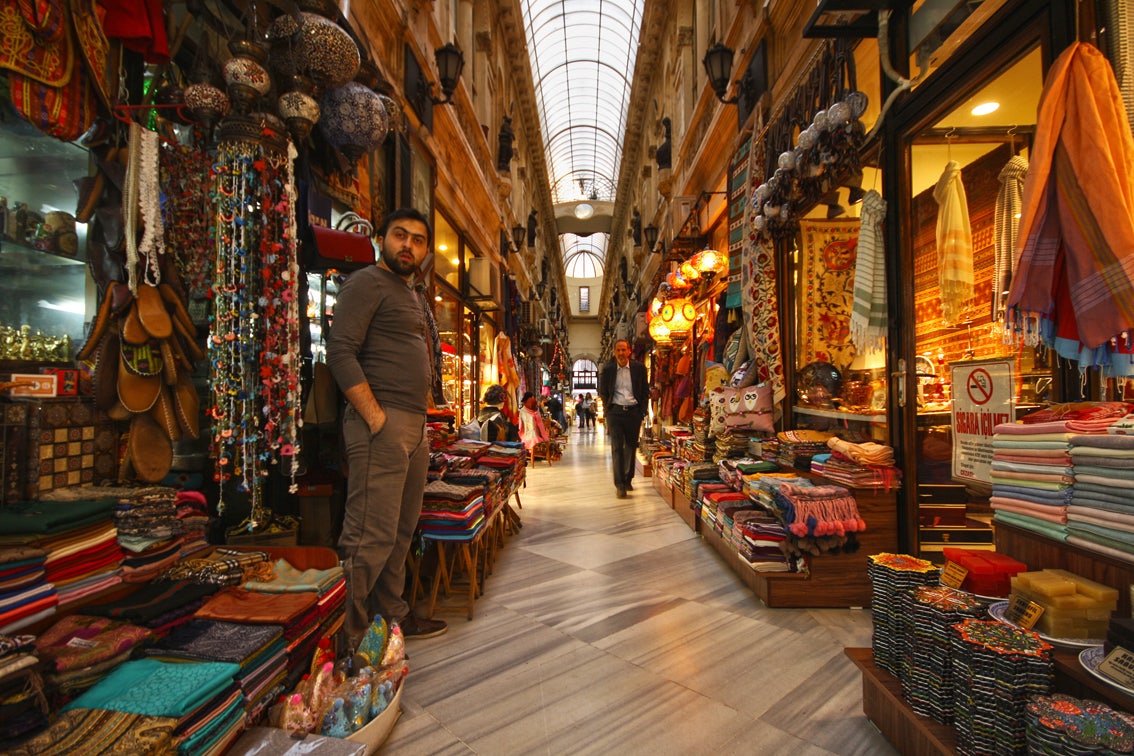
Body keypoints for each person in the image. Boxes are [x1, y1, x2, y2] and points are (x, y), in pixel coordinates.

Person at [327, 207, 447, 647]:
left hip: (413, 428)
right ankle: (349, 639)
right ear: (381, 238)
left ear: (425, 250)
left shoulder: (409, 292)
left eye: (417, 240)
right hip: (382, 425)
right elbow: (340, 353)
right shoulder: (366, 283)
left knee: (399, 531)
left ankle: (390, 616)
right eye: (400, 235)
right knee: (368, 535)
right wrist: (376, 418)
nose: (408, 245)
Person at [598, 339, 648, 498]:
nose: (621, 353)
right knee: (617, 448)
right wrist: (608, 408)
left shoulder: (639, 368)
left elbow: (645, 391)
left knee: (631, 447)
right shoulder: (608, 370)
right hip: (615, 413)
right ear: (614, 352)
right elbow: (603, 391)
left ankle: (628, 479)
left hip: (633, 412)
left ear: (629, 351)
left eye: (623, 350)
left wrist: (642, 411)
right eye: (618, 350)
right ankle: (619, 485)